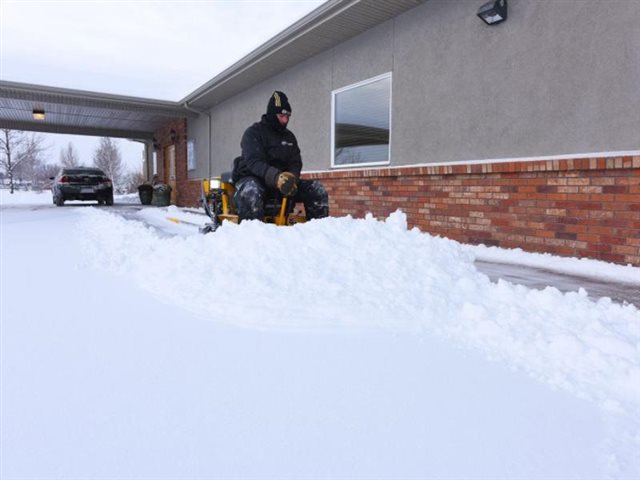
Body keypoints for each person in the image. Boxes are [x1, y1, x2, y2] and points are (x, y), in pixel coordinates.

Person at [232, 91, 329, 222]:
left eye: (288, 116)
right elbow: (254, 162)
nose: (285, 120)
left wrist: (292, 178)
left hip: (283, 183)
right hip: (255, 178)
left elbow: (296, 162)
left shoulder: (289, 137)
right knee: (251, 191)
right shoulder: (253, 133)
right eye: (282, 115)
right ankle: (252, 238)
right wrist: (277, 177)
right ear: (272, 114)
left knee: (316, 189)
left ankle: (319, 232)